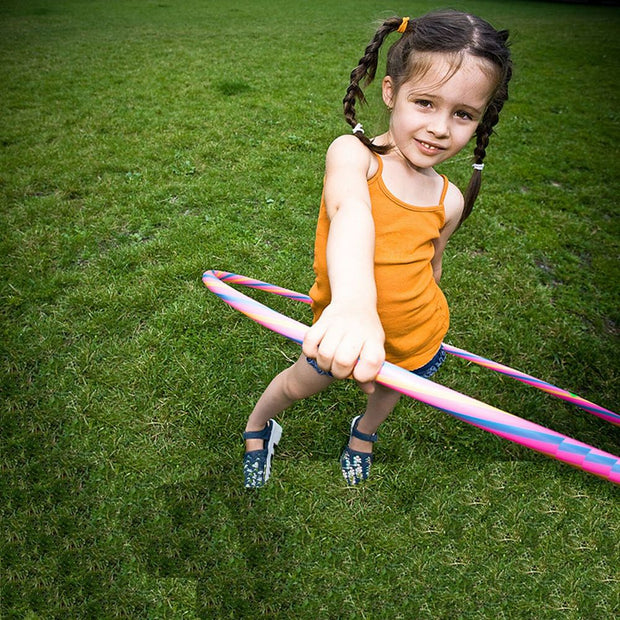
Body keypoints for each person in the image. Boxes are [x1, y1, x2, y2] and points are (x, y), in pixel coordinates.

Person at [242, 10, 513, 488]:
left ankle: (363, 433)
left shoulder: (449, 199)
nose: (441, 129)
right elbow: (352, 214)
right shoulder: (354, 157)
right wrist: (353, 306)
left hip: (413, 334)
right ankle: (259, 423)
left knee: (386, 394)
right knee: (297, 383)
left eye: (463, 114)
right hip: (344, 323)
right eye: (425, 103)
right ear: (390, 92)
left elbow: (432, 266)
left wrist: (406, 322)